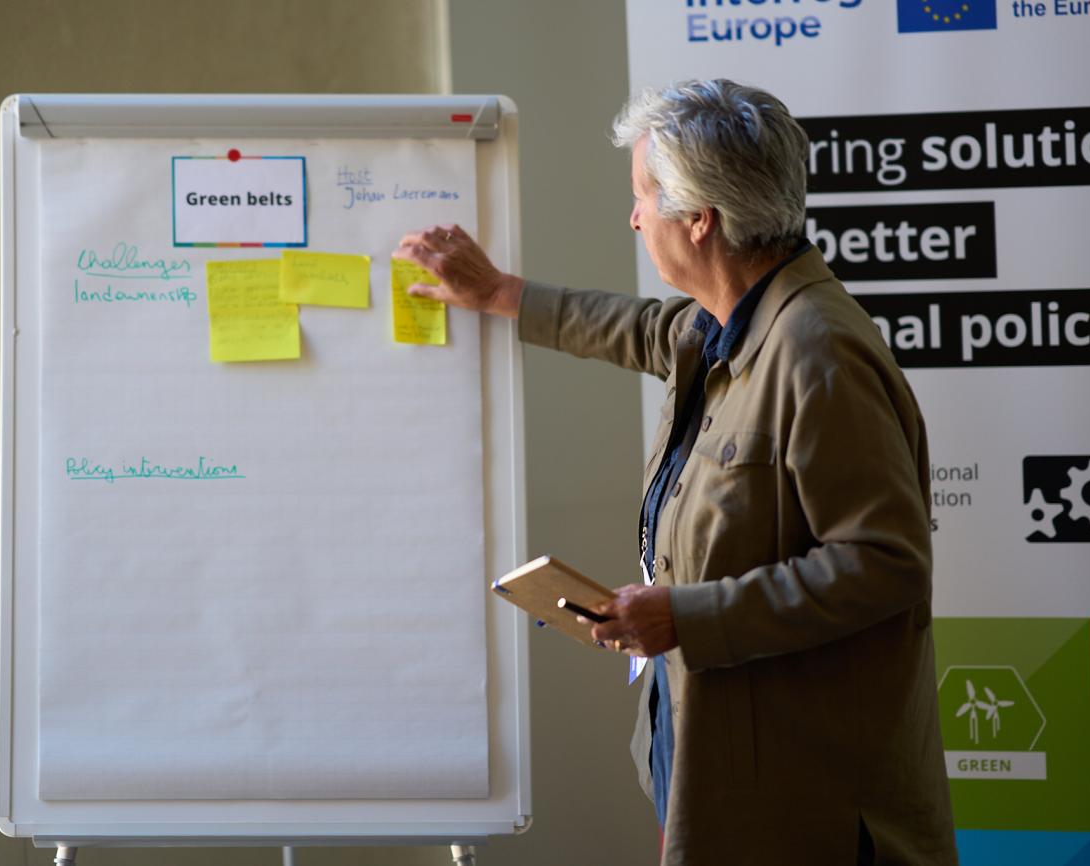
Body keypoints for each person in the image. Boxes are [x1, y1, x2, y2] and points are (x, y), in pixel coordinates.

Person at [395, 79, 957, 866]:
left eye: (643, 195)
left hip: (809, 809)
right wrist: (499, 295)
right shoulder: (728, 320)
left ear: (700, 219)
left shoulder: (816, 351)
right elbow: (640, 329)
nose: (632, 217)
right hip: (722, 767)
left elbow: (885, 564)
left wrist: (685, 618)